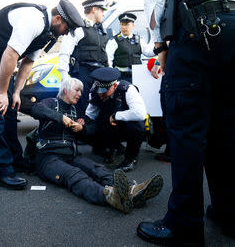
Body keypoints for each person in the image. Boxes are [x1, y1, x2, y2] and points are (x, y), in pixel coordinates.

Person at [137, 0, 235, 245]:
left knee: (187, 129)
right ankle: (230, 215)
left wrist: (157, 44)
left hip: (200, 27)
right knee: (227, 128)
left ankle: (184, 225)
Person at [0, 0, 84, 190]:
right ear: (58, 18)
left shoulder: (47, 34)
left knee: (10, 108)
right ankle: (2, 171)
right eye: (68, 27)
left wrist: (16, 92)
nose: (68, 33)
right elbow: (11, 55)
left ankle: (16, 161)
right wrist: (2, 92)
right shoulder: (33, 20)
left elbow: (27, 63)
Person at [30, 77, 163, 213]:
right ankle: (111, 197)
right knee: (75, 175)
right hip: (49, 158)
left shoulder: (76, 111)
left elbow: (91, 130)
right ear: (65, 90)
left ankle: (132, 190)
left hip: (71, 155)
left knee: (97, 169)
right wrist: (60, 118)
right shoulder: (51, 102)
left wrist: (82, 129)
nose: (80, 95)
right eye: (77, 90)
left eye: (81, 91)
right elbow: (36, 109)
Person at [84, 67, 147, 171]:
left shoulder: (127, 89)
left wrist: (115, 116)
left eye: (104, 91)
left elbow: (140, 113)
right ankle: (113, 148)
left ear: (114, 86)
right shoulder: (94, 91)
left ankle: (130, 158)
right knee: (87, 129)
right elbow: (90, 114)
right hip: (107, 124)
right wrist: (83, 124)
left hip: (126, 124)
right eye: (99, 91)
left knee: (136, 126)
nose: (100, 94)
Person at [57, 0, 109, 117]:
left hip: (99, 75)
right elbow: (64, 54)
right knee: (82, 109)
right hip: (83, 74)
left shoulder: (101, 30)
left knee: (100, 108)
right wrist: (65, 79)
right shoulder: (78, 28)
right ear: (94, 10)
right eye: (102, 10)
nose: (103, 13)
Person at [106, 12, 149, 82]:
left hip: (137, 75)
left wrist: (159, 47)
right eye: (122, 24)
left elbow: (148, 52)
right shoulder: (114, 41)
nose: (124, 27)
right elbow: (108, 59)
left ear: (133, 26)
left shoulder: (139, 40)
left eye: (127, 24)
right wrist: (112, 76)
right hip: (121, 76)